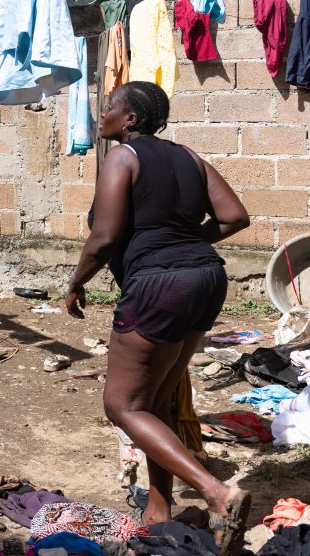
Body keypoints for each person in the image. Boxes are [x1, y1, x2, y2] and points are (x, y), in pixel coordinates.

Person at [64, 81, 252, 553]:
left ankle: (215, 492)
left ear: (130, 119)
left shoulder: (122, 158)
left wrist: (76, 282)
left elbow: (105, 237)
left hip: (159, 287)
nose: (103, 115)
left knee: (122, 406)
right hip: (206, 279)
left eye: (110, 107)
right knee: (158, 400)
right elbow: (234, 216)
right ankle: (158, 507)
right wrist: (185, 246)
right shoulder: (189, 157)